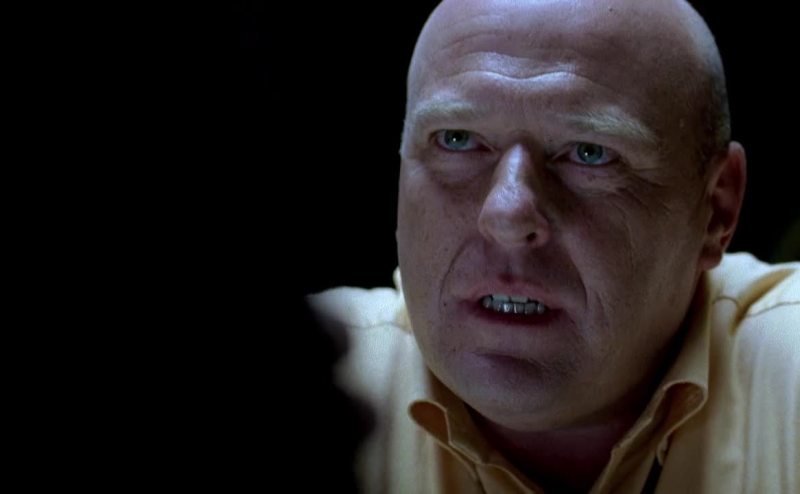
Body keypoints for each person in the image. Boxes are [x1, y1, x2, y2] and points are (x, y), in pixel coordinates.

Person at [309, 0, 799, 492]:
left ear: (717, 208)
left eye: (590, 152)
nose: (507, 214)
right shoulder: (310, 374)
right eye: (456, 139)